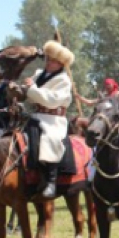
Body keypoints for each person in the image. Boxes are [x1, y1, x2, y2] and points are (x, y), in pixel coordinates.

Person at [23, 40, 74, 198]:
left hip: (53, 120)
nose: (48, 62)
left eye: (52, 60)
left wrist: (31, 89)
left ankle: (51, 181)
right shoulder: (39, 74)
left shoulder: (64, 81)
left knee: (50, 139)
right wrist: (21, 89)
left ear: (60, 63)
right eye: (47, 59)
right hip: (36, 115)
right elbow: (32, 96)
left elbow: (50, 99)